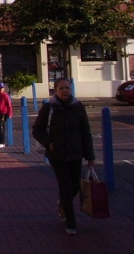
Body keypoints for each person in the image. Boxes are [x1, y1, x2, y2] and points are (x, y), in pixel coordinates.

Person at [32, 78, 95, 236]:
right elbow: (37, 130)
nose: (65, 91)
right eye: (61, 88)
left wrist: (90, 156)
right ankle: (70, 222)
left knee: (75, 186)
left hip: (75, 153)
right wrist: (49, 143)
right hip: (57, 155)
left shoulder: (78, 107)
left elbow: (85, 133)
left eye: (67, 88)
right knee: (66, 187)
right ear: (55, 90)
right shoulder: (49, 108)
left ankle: (62, 204)